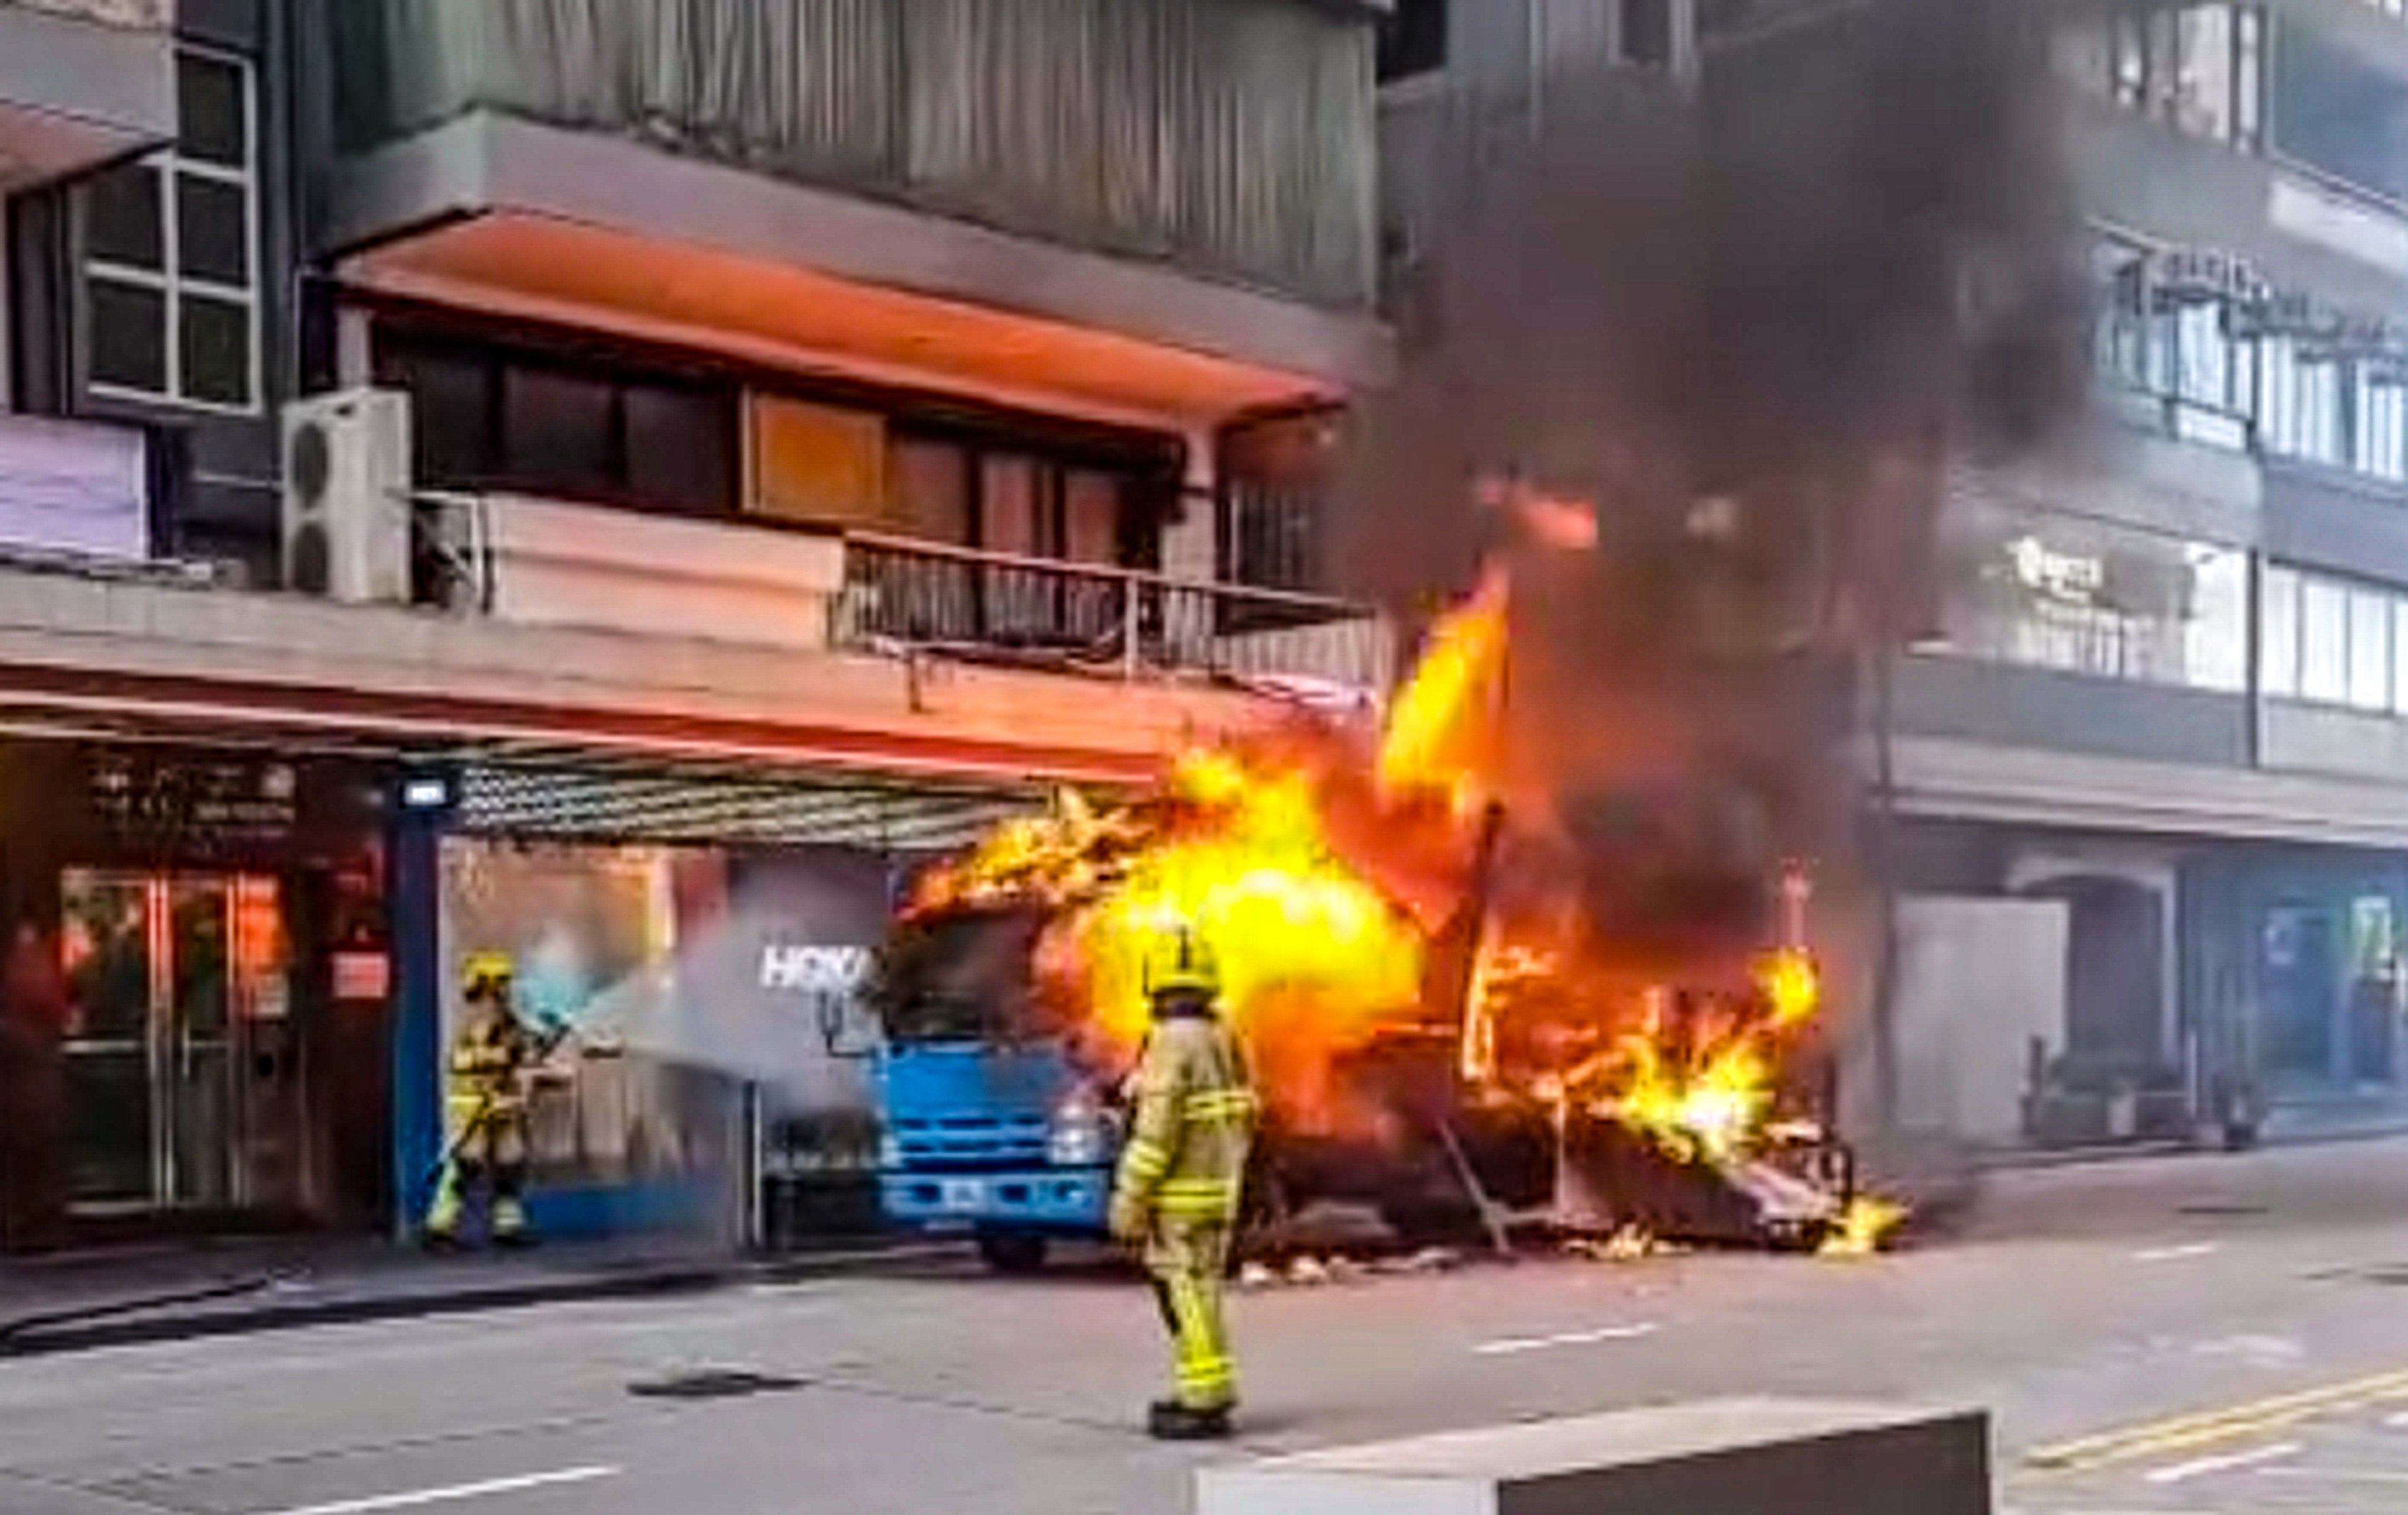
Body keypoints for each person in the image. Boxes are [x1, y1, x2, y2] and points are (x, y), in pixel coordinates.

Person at [1108, 925, 1259, 1440]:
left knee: (1184, 1294)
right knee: (1203, 1291)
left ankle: (1204, 1399)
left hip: (1178, 1198)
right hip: (1221, 1189)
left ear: (1154, 983)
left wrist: (1130, 1198)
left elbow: (1155, 1135)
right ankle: (1204, 1387)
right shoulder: (1226, 1037)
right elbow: (1247, 1114)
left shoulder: (1172, 1043)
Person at [425, 952, 541, 1249]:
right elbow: (459, 1060)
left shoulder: (510, 1021)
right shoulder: (472, 1020)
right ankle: (438, 1228)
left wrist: (530, 1051)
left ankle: (509, 1226)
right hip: (473, 1101)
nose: (507, 990)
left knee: (510, 1161)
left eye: (507, 983)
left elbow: (524, 1052)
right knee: (468, 1164)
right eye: (502, 983)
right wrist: (502, 1055)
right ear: (487, 985)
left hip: (502, 1098)